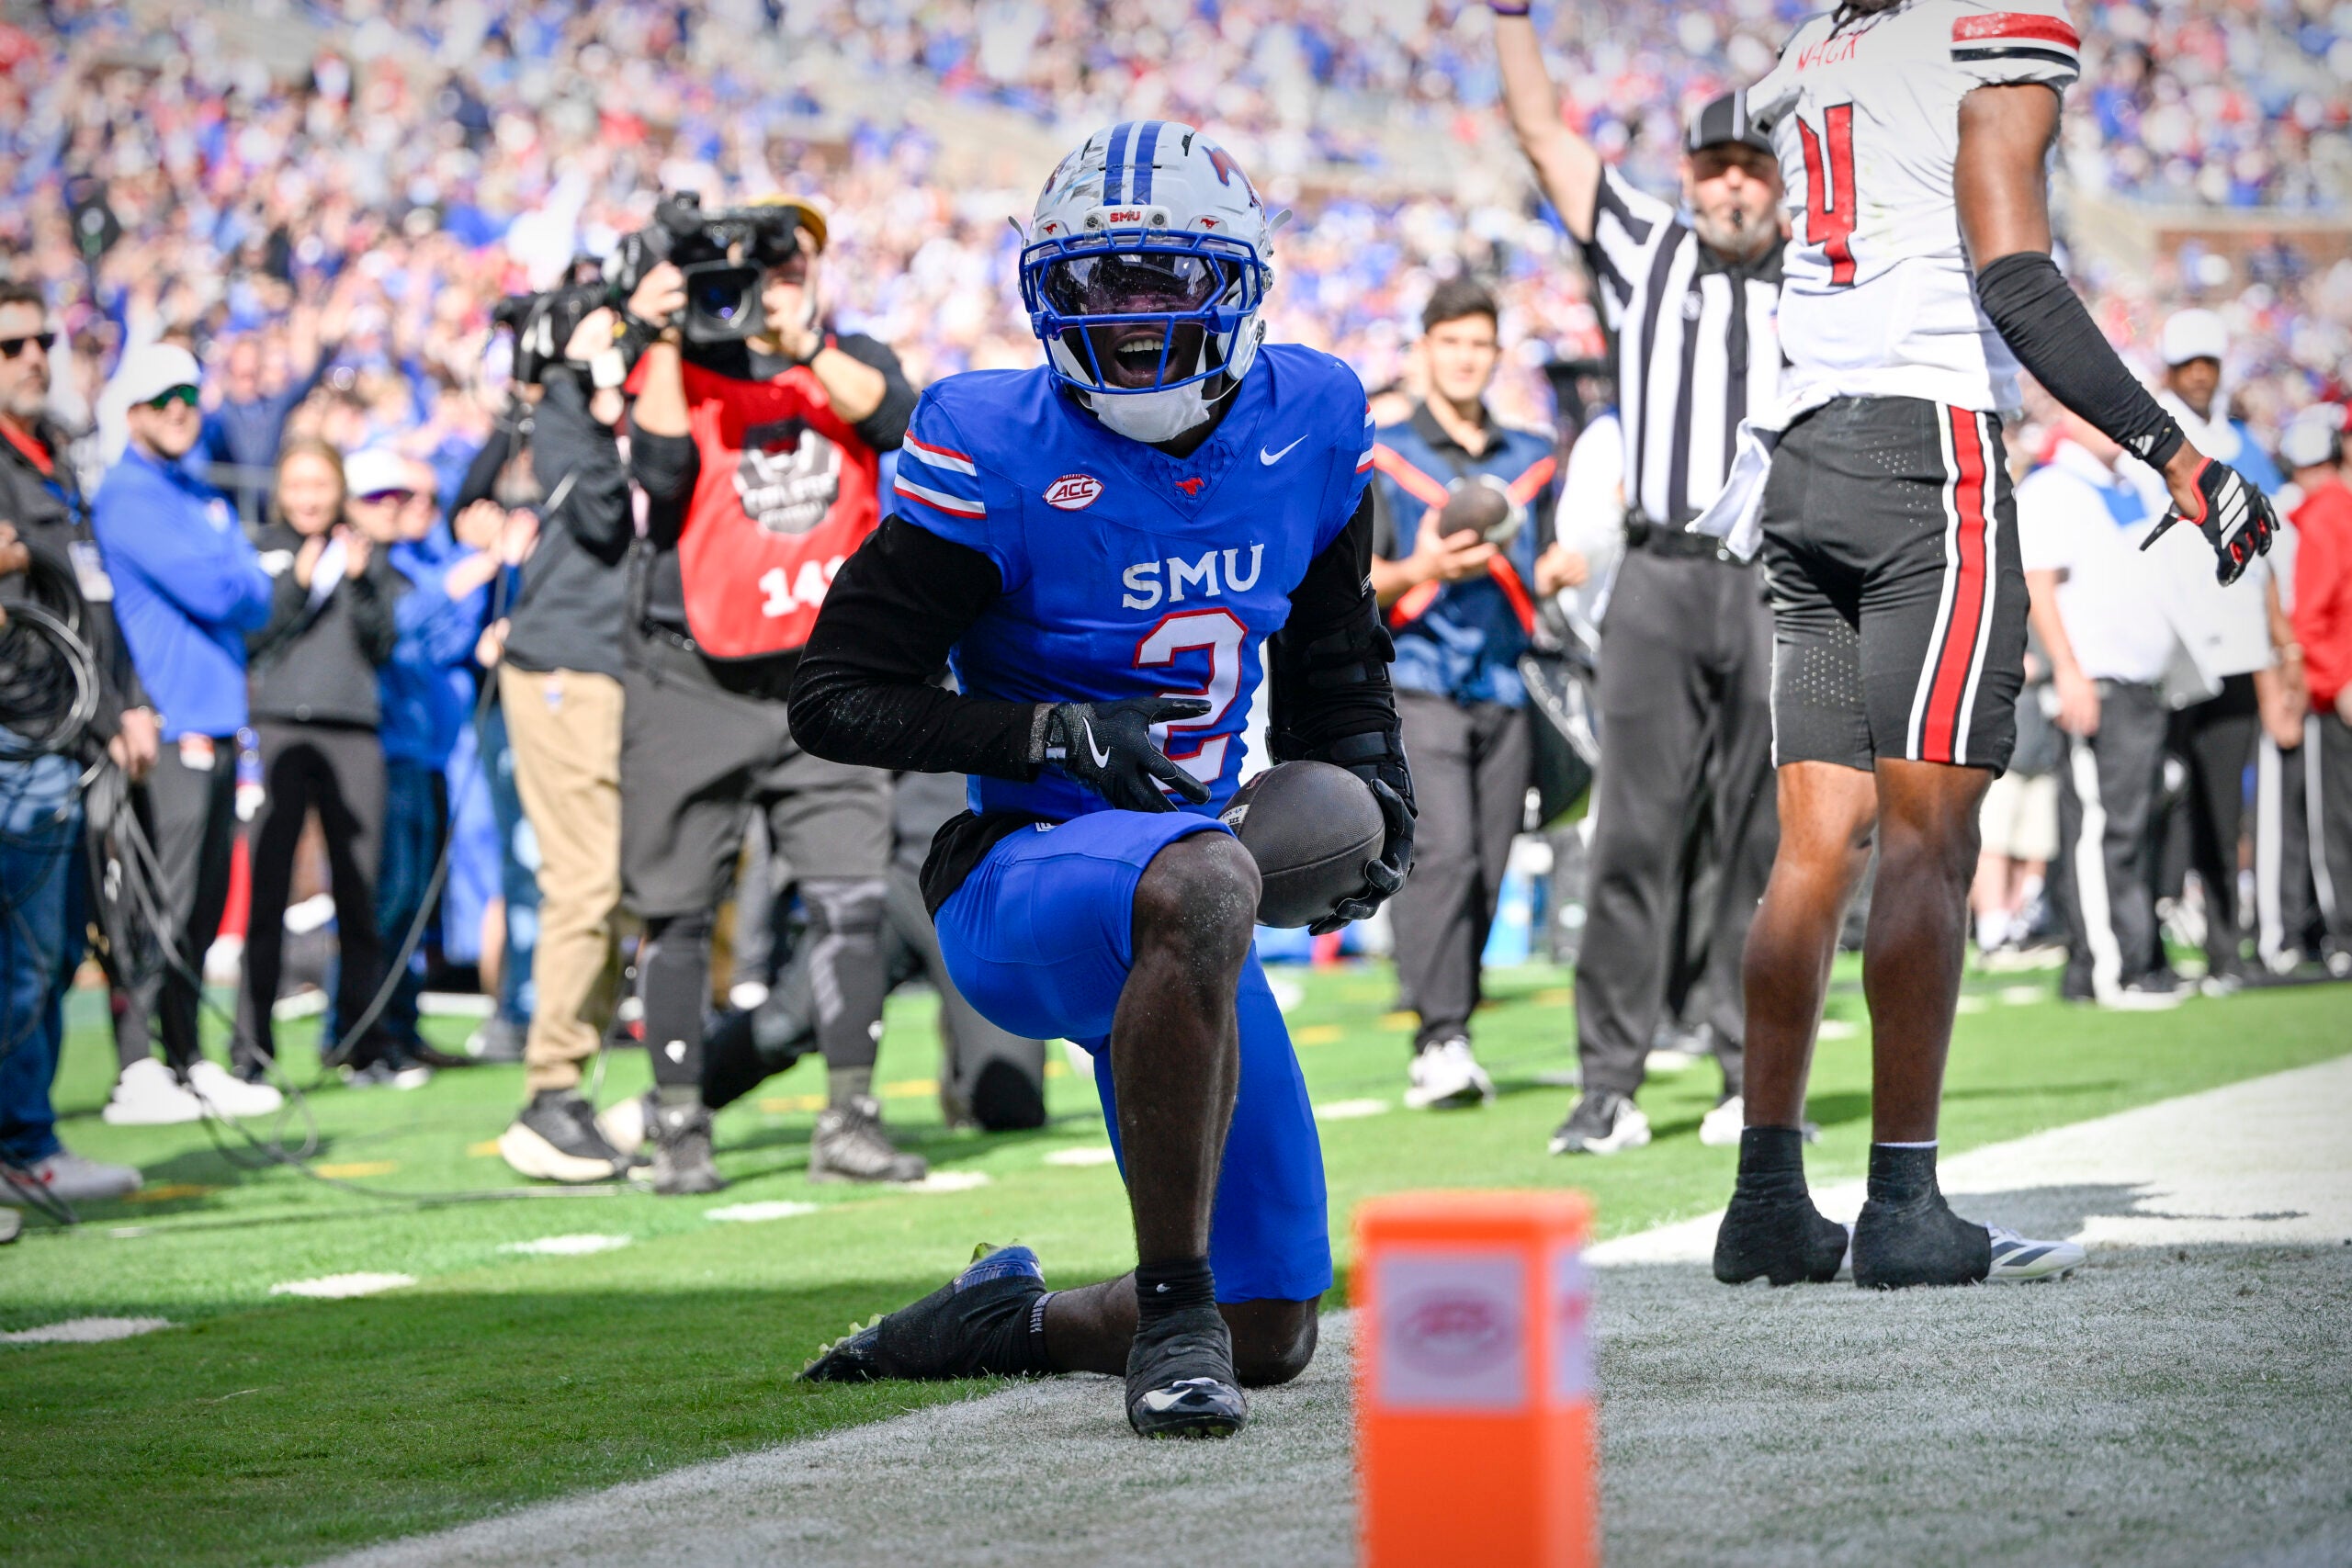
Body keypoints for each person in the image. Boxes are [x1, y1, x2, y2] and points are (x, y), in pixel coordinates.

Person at [789, 122, 1412, 1438]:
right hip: (1024, 875)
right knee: (1194, 871)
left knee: (1279, 1329)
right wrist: (1049, 736)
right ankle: (1170, 1311)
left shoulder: (1313, 418)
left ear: (1239, 283)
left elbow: (1334, 649)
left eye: (1163, 278)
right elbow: (834, 694)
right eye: (1098, 281)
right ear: (1046, 289)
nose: (1130, 315)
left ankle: (1000, 1319)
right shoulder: (994, 441)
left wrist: (1369, 783)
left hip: (1204, 891)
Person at [1699, 0, 2276, 1288]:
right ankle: (1903, 1201)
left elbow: (1769, 148)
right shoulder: (1986, 34)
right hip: (1926, 454)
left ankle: (1766, 1196)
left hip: (1799, 450)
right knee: (1926, 836)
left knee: (1809, 846)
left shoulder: (1819, 53)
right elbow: (2016, 278)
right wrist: (2174, 453)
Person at [1488, 18, 1792, 1156]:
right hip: (1659, 576)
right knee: (1634, 835)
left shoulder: (1821, 271)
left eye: (1749, 166)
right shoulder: (1645, 246)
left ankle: (1746, 1075)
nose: (1729, 185)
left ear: (1776, 181)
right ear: (1688, 179)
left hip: (1773, 580)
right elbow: (1538, 130)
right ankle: (1606, 1085)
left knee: (1760, 844)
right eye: (1713, 166)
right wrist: (1512, 19)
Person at [617, 196, 926, 1194]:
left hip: (823, 678)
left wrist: (804, 341)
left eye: (791, 266)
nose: (772, 285)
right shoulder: (679, 364)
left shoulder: (846, 354)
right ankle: (677, 1129)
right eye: (756, 271)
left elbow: (899, 419)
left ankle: (850, 1118)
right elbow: (659, 474)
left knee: (848, 900)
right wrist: (663, 329)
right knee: (672, 910)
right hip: (692, 674)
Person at [1363, 276, 1566, 1111]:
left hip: (1506, 682)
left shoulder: (1531, 458)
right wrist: (1424, 569)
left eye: (1480, 344)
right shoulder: (1381, 452)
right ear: (1424, 351)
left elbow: (1549, 570)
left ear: (1495, 355)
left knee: (1489, 864)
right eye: (1451, 342)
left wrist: (1561, 571)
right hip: (1417, 677)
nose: (1466, 358)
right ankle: (1439, 1035)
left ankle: (1453, 1023)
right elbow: (1352, 583)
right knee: (1440, 854)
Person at [90, 343, 281, 1124]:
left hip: (217, 717)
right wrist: (234, 571)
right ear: (133, 410)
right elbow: (220, 583)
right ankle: (138, 1065)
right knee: (157, 902)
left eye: (189, 395)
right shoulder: (127, 495)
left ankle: (185, 1056)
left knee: (200, 906)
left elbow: (257, 598)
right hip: (168, 724)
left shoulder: (197, 491)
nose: (180, 408)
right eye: (164, 395)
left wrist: (233, 573)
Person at [0, 280, 150, 1204]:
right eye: (11, 345)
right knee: (19, 957)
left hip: (58, 727)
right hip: (10, 731)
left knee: (47, 955)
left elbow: (90, 600)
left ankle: (26, 1145)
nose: (32, 357)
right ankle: (22, 1145)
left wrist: (119, 706)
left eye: (40, 339)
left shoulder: (49, 455)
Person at [489, 324, 637, 1184]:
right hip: (563, 664)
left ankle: (567, 1088)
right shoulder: (561, 409)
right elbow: (604, 512)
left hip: (613, 666)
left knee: (618, 880)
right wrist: (575, 382)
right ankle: (548, 1093)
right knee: (584, 880)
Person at [2133, 310, 2295, 995]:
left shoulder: (2244, 444)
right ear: (2168, 370)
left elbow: (2270, 556)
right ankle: (2153, 947)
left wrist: (2279, 644)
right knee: (2159, 803)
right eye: (2188, 363)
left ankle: (2227, 945)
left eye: (2209, 363)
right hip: (2168, 649)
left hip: (2233, 649)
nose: (2200, 375)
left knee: (2225, 805)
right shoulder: (2144, 439)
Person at [240, 440, 408, 1082]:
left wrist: (362, 582)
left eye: (320, 484)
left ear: (339, 489)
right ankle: (252, 1051)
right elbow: (253, 636)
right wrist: (297, 583)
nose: (308, 497)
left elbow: (383, 642)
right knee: (267, 891)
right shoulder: (263, 550)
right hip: (280, 729)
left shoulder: (363, 551)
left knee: (360, 894)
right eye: (297, 484)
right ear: (281, 490)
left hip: (354, 733)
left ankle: (360, 1043)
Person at [2019, 412, 2185, 1008]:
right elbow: (2038, 585)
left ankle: (2139, 955)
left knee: (2134, 827)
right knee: (2100, 829)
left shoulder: (2131, 485)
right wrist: (2069, 669)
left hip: (2142, 683)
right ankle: (2106, 968)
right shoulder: (2052, 488)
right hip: (2098, 683)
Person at [352, 452, 502, 1058]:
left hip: (427, 749)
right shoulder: (369, 567)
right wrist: (475, 564)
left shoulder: (412, 564)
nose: (405, 509)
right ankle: (366, 1033)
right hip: (385, 748)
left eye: (412, 499)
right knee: (385, 899)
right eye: (388, 497)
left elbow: (447, 636)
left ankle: (402, 1027)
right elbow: (401, 629)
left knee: (412, 898)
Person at [2282, 410, 2352, 975]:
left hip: (2337, 689)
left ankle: (2342, 932)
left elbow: (2314, 609)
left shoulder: (2323, 516)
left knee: (2333, 818)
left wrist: (2326, 681)